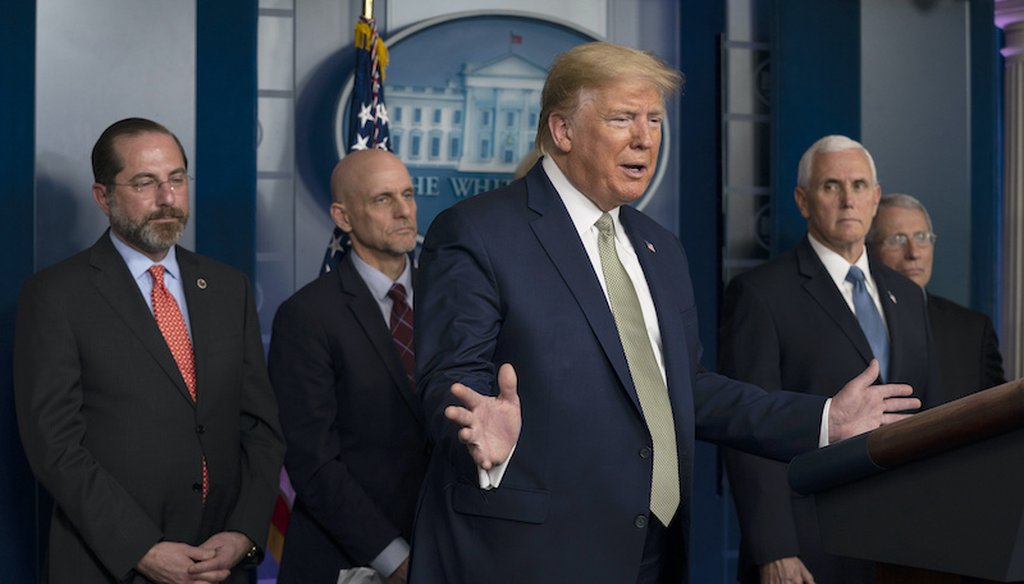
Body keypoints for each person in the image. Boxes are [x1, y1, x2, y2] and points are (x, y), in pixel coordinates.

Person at [409, 43, 919, 584]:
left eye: (654, 119)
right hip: (528, 555)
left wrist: (822, 420)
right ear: (562, 131)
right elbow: (451, 380)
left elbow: (687, 390)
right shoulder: (478, 232)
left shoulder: (659, 247)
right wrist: (481, 438)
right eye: (623, 118)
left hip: (652, 551)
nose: (645, 137)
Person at [13, 117, 285, 583]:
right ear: (103, 197)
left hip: (220, 564)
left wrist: (243, 533)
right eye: (145, 183)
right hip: (112, 565)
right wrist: (142, 549)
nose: (167, 198)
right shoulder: (56, 295)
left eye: (176, 179)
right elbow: (55, 447)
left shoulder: (227, 288)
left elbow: (260, 428)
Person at [719, 135, 938, 584]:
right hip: (807, 545)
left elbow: (925, 415)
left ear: (875, 198)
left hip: (900, 542)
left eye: (859, 186)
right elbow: (747, 432)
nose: (847, 200)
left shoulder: (909, 296)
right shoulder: (761, 294)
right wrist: (774, 549)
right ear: (803, 201)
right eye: (830, 186)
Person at [267, 149, 428, 584]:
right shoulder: (307, 315)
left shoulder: (452, 296)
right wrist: (393, 557)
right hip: (350, 558)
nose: (403, 211)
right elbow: (312, 461)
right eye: (382, 199)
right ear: (343, 216)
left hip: (448, 550)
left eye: (408, 194)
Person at [869, 193, 1005, 399]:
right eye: (897, 240)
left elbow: (1001, 414)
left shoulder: (974, 330)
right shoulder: (857, 325)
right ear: (868, 250)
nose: (913, 253)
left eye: (922, 238)